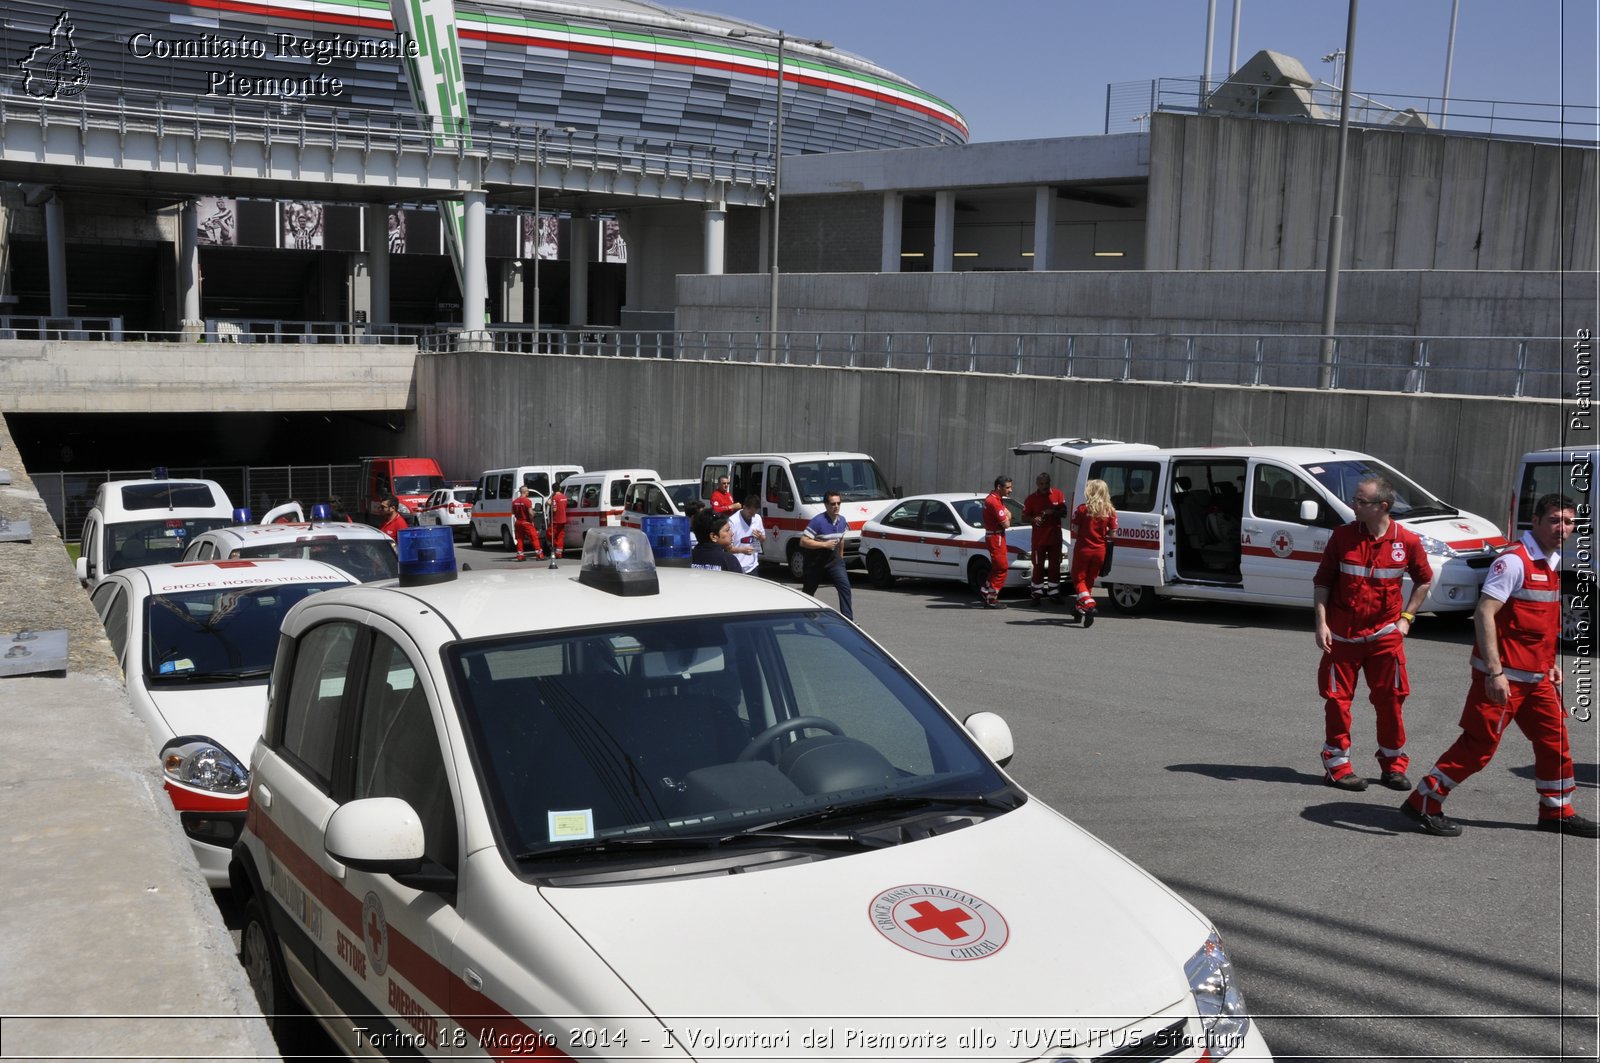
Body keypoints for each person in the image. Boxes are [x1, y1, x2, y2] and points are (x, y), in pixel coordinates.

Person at [1401, 493, 1598, 838]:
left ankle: (1557, 811)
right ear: (1534, 522)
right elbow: (1484, 613)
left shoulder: (1550, 562)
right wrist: (1494, 672)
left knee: (1556, 744)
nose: (1562, 529)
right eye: (1554, 520)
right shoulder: (1514, 561)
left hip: (1537, 680)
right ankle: (1423, 802)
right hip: (1503, 678)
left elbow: (1538, 622)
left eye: (1568, 522)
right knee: (1478, 747)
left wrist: (1550, 664)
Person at [1312, 475, 1433, 792]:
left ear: (1382, 506)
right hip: (1342, 639)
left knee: (1390, 702)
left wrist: (1407, 618)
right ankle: (1338, 767)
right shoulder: (1341, 537)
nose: (1354, 505)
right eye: (1355, 499)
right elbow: (1322, 582)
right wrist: (1321, 623)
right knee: (1337, 704)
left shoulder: (1406, 541)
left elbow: (1423, 580)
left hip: (1384, 639)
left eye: (1361, 501)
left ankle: (1393, 766)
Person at [1068, 479, 1118, 625]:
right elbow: (1113, 534)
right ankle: (1080, 609)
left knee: (1078, 579)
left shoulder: (1082, 509)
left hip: (1084, 549)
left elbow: (1075, 529)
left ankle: (1089, 605)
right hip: (1100, 550)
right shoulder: (1110, 511)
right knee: (1089, 581)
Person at [800, 490, 854, 620]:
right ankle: (803, 618)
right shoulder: (818, 521)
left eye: (838, 503)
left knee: (845, 587)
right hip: (815, 560)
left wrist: (840, 557)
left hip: (834, 560)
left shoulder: (842, 521)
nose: (836, 506)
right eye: (832, 504)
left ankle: (848, 619)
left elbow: (841, 540)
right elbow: (803, 541)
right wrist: (824, 545)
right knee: (809, 591)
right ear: (826, 505)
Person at [1023, 471, 1067, 601]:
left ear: (1050, 483)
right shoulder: (1031, 498)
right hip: (1039, 539)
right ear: (1037, 484)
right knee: (1038, 566)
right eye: (1042, 483)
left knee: (1055, 565)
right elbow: (1024, 517)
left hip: (1055, 538)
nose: (1044, 486)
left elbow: (1064, 512)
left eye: (1047, 483)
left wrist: (1053, 512)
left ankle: (1054, 592)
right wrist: (1034, 519)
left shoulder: (1058, 494)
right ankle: (1036, 593)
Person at [979, 476, 1012, 609]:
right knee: (1002, 568)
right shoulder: (994, 501)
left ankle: (986, 589)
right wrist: (1007, 516)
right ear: (999, 487)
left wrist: (1007, 515)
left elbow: (1007, 515)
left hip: (997, 536)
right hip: (995, 537)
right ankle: (991, 598)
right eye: (1008, 487)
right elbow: (1006, 523)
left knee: (998, 567)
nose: (1010, 490)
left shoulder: (996, 499)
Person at [726, 494, 767, 575]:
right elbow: (728, 548)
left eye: (754, 513)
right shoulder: (733, 521)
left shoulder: (757, 518)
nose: (752, 516)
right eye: (750, 513)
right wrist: (742, 550)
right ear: (744, 507)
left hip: (753, 566)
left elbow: (763, 539)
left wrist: (760, 537)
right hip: (737, 567)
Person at [511, 486, 544, 562]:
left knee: (519, 539)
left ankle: (520, 556)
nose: (528, 492)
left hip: (518, 522)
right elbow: (530, 513)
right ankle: (539, 555)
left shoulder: (514, 501)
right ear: (525, 492)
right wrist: (532, 518)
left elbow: (512, 512)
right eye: (528, 491)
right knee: (534, 538)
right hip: (526, 522)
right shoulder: (527, 501)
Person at [546, 485, 569, 561]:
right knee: (560, 536)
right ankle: (559, 552)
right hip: (563, 519)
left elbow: (554, 509)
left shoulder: (554, 498)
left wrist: (549, 503)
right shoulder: (564, 497)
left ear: (553, 490)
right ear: (559, 489)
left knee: (549, 534)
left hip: (556, 520)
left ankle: (556, 547)